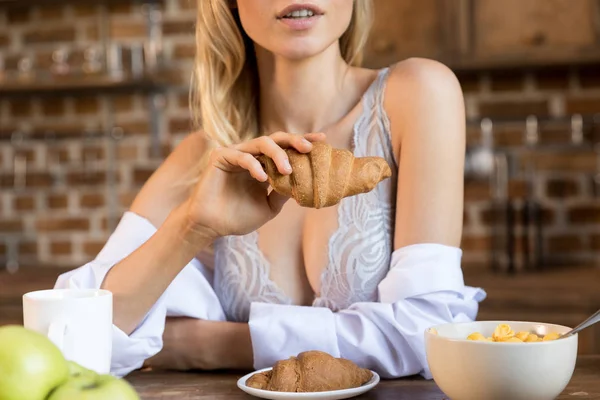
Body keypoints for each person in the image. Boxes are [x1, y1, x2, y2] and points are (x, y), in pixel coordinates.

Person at [55, 0, 486, 379]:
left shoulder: (417, 94)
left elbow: (431, 335)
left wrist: (212, 347)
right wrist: (191, 228)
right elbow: (71, 338)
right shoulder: (202, 158)